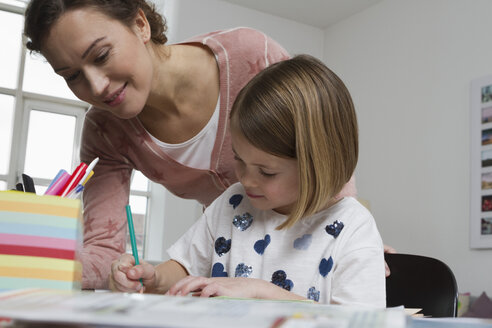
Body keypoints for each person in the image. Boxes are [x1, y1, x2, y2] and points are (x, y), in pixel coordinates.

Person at [23, 0, 358, 290]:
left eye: (101, 55)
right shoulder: (105, 129)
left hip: (311, 254)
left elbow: (322, 147)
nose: (95, 87)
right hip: (230, 267)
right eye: (71, 76)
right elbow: (102, 251)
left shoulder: (251, 57)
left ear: (140, 24)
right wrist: (29, 260)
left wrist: (351, 240)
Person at [109, 55, 386, 306]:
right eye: (239, 160)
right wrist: (153, 277)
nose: (246, 179)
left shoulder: (354, 228)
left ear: (319, 164)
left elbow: (359, 321)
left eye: (267, 172)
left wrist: (260, 291)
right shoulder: (233, 202)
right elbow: (184, 267)